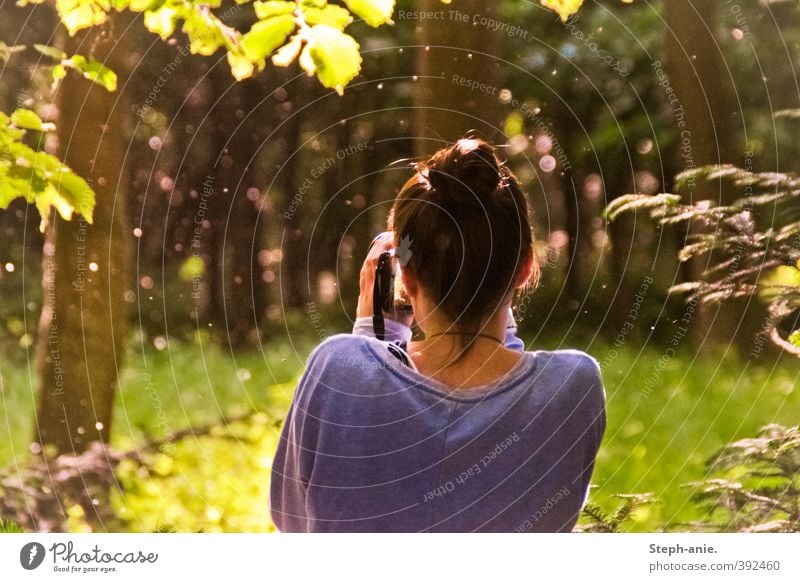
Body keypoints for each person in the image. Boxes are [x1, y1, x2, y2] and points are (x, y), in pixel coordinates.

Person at [270, 138, 606, 532]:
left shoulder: (338, 369)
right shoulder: (573, 387)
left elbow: (292, 516)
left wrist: (375, 338)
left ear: (406, 277)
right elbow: (506, 393)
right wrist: (488, 282)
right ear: (526, 267)